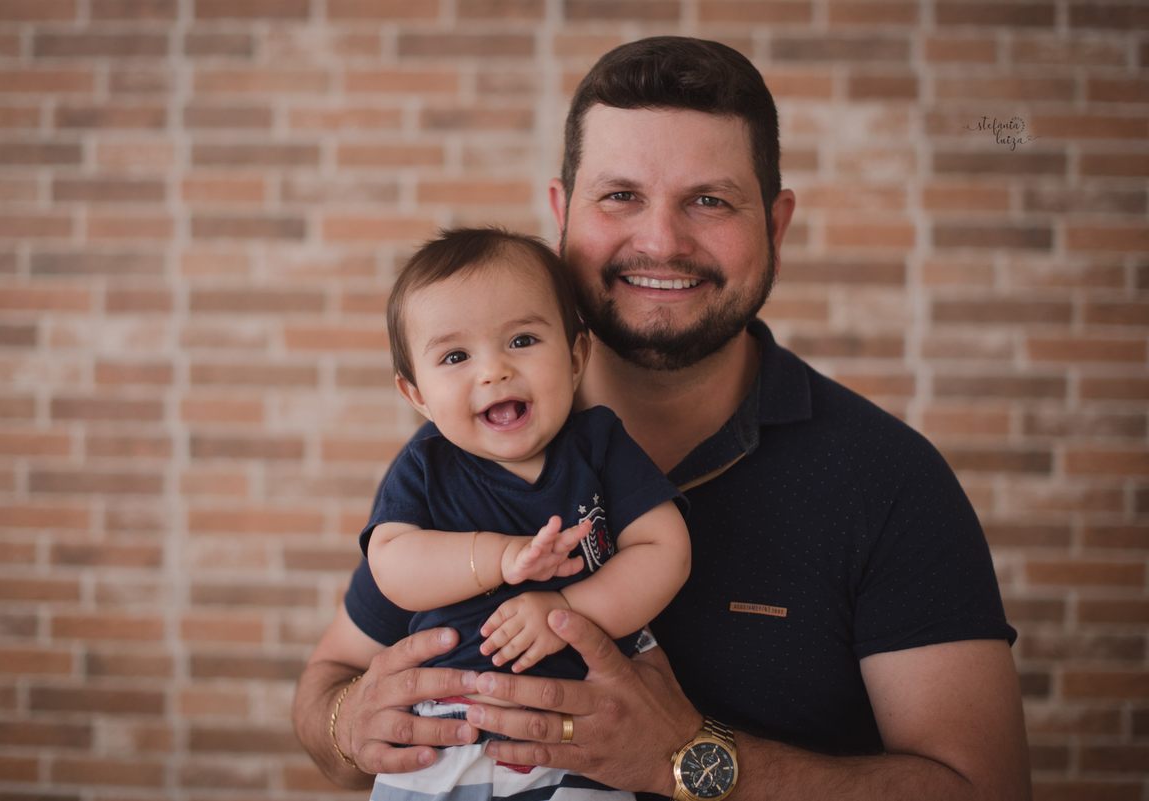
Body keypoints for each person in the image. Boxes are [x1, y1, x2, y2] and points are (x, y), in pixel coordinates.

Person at [294, 36, 1032, 801]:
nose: (660, 242)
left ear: (775, 228)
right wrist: (352, 722)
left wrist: (687, 758)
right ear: (562, 214)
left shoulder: (888, 480)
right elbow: (327, 685)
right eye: (620, 196)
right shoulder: (465, 454)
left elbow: (986, 789)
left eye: (709, 200)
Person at [357, 227, 690, 801]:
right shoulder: (427, 466)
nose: (493, 371)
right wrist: (501, 557)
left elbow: (666, 550)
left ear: (576, 355)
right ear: (417, 395)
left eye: (522, 340)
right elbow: (393, 564)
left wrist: (566, 608)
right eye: (456, 356)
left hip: (581, 734)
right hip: (445, 732)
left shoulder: (598, 447)